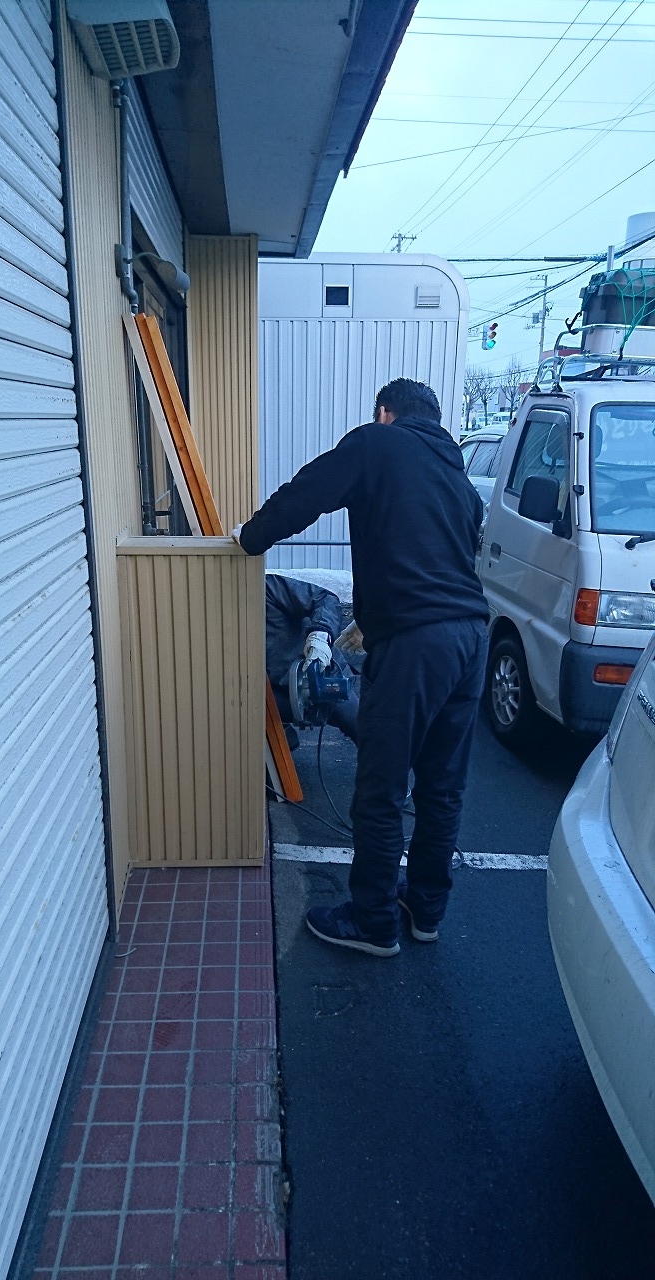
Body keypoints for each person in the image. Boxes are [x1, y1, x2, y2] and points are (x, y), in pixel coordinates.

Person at [234, 378, 489, 958]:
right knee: (442, 788)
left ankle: (373, 920)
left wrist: (251, 538)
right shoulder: (458, 478)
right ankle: (425, 908)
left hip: (415, 640)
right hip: (471, 638)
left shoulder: (377, 442)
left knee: (382, 785)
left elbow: (308, 492)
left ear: (384, 413)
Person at [265, 573, 359, 746]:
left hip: (320, 676)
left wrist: (320, 636)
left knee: (363, 731)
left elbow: (325, 598)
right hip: (271, 693)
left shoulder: (267, 587)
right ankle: (283, 738)